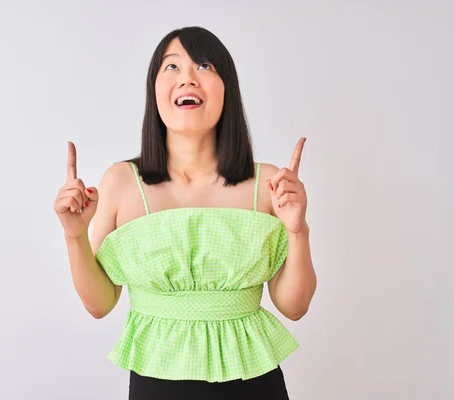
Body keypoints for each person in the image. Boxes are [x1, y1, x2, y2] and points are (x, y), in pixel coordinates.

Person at [53, 26, 317, 400]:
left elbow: (294, 306)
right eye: (172, 67)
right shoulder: (121, 182)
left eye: (205, 66)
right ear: (154, 90)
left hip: (254, 384)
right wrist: (74, 235)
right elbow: (99, 305)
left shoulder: (270, 184)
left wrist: (297, 231)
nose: (188, 78)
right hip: (155, 385)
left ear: (227, 88)